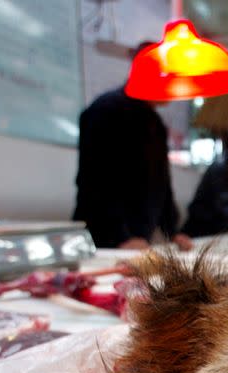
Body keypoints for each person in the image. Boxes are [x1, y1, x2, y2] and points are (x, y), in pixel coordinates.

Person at [73, 46, 193, 251]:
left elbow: (162, 183)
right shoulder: (106, 111)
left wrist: (172, 231)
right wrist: (120, 236)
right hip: (104, 241)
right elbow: (96, 180)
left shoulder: (155, 122)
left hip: (139, 238)